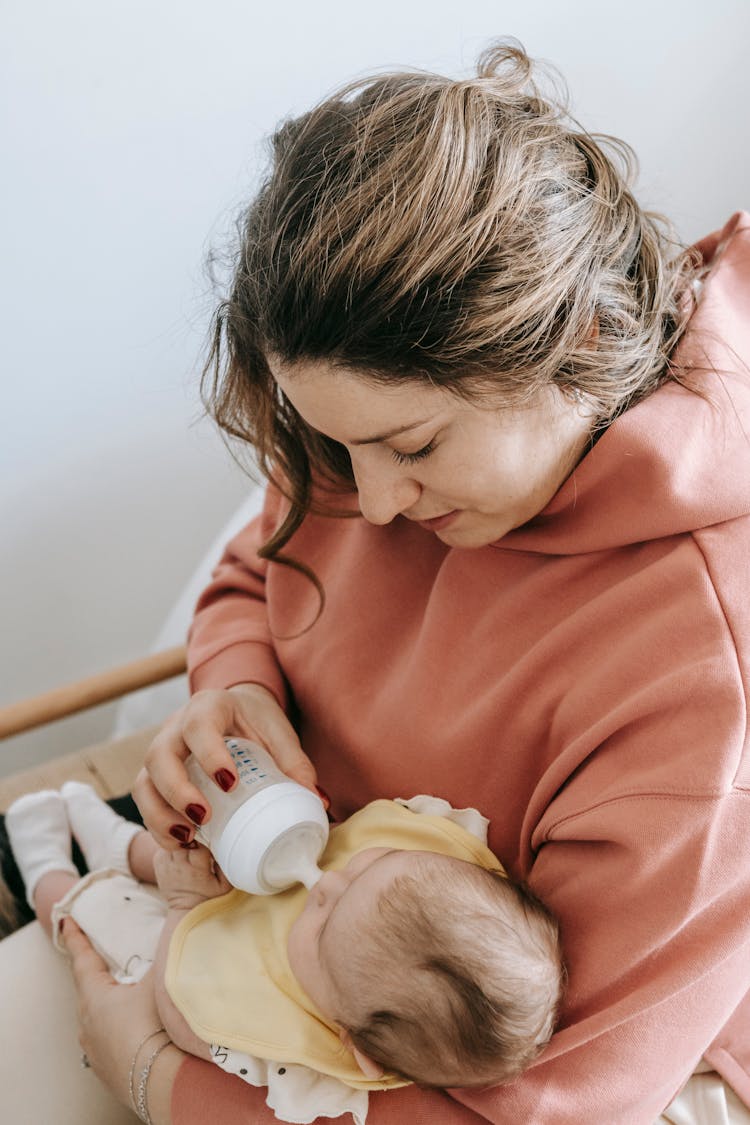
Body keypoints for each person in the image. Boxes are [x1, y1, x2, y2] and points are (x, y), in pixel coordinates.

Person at [3, 36, 750, 1125]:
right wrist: (232, 686)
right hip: (263, 923)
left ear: (577, 340)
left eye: (414, 448)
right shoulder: (370, 445)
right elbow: (250, 574)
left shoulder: (699, 683)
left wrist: (161, 1083)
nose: (376, 506)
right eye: (332, 448)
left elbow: (546, 1098)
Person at [6, 782, 563, 1124]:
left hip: (169, 955)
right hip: (233, 889)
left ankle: (45, 874)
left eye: (322, 929)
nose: (323, 886)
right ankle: (111, 835)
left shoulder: (299, 1058)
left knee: (106, 911)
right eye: (366, 867)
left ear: (352, 1041)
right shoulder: (411, 907)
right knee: (184, 852)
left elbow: (175, 1012)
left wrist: (182, 907)